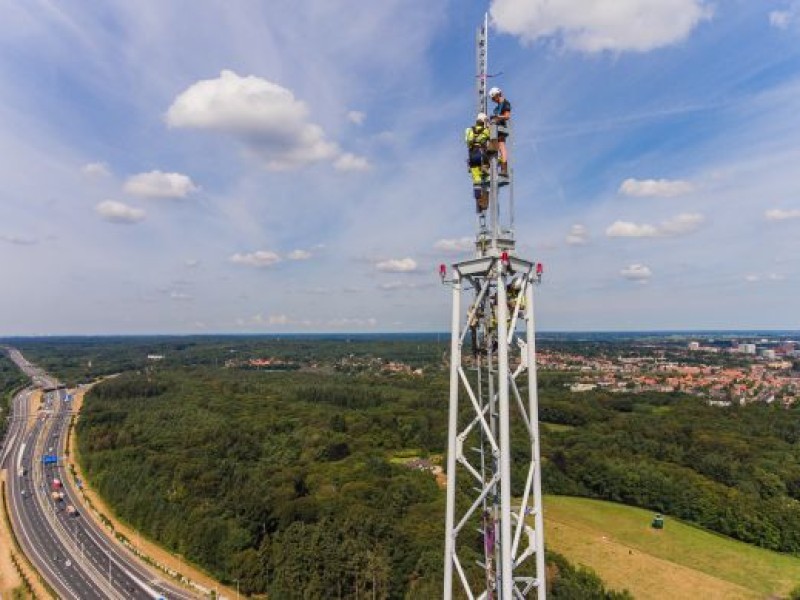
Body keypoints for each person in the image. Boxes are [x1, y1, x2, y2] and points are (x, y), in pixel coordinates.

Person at [465, 112, 490, 213]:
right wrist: (487, 126)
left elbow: (467, 141)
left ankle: (478, 204)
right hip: (482, 156)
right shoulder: (485, 130)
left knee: (476, 182)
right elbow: (490, 137)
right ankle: (485, 200)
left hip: (472, 156)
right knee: (487, 179)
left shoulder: (469, 130)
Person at [489, 87, 511, 174]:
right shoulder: (498, 106)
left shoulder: (505, 103)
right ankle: (496, 164)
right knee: (492, 147)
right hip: (495, 129)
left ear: (497, 95)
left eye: (494, 98)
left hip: (500, 128)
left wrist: (497, 117)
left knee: (502, 147)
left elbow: (507, 116)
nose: (494, 100)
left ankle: (504, 168)